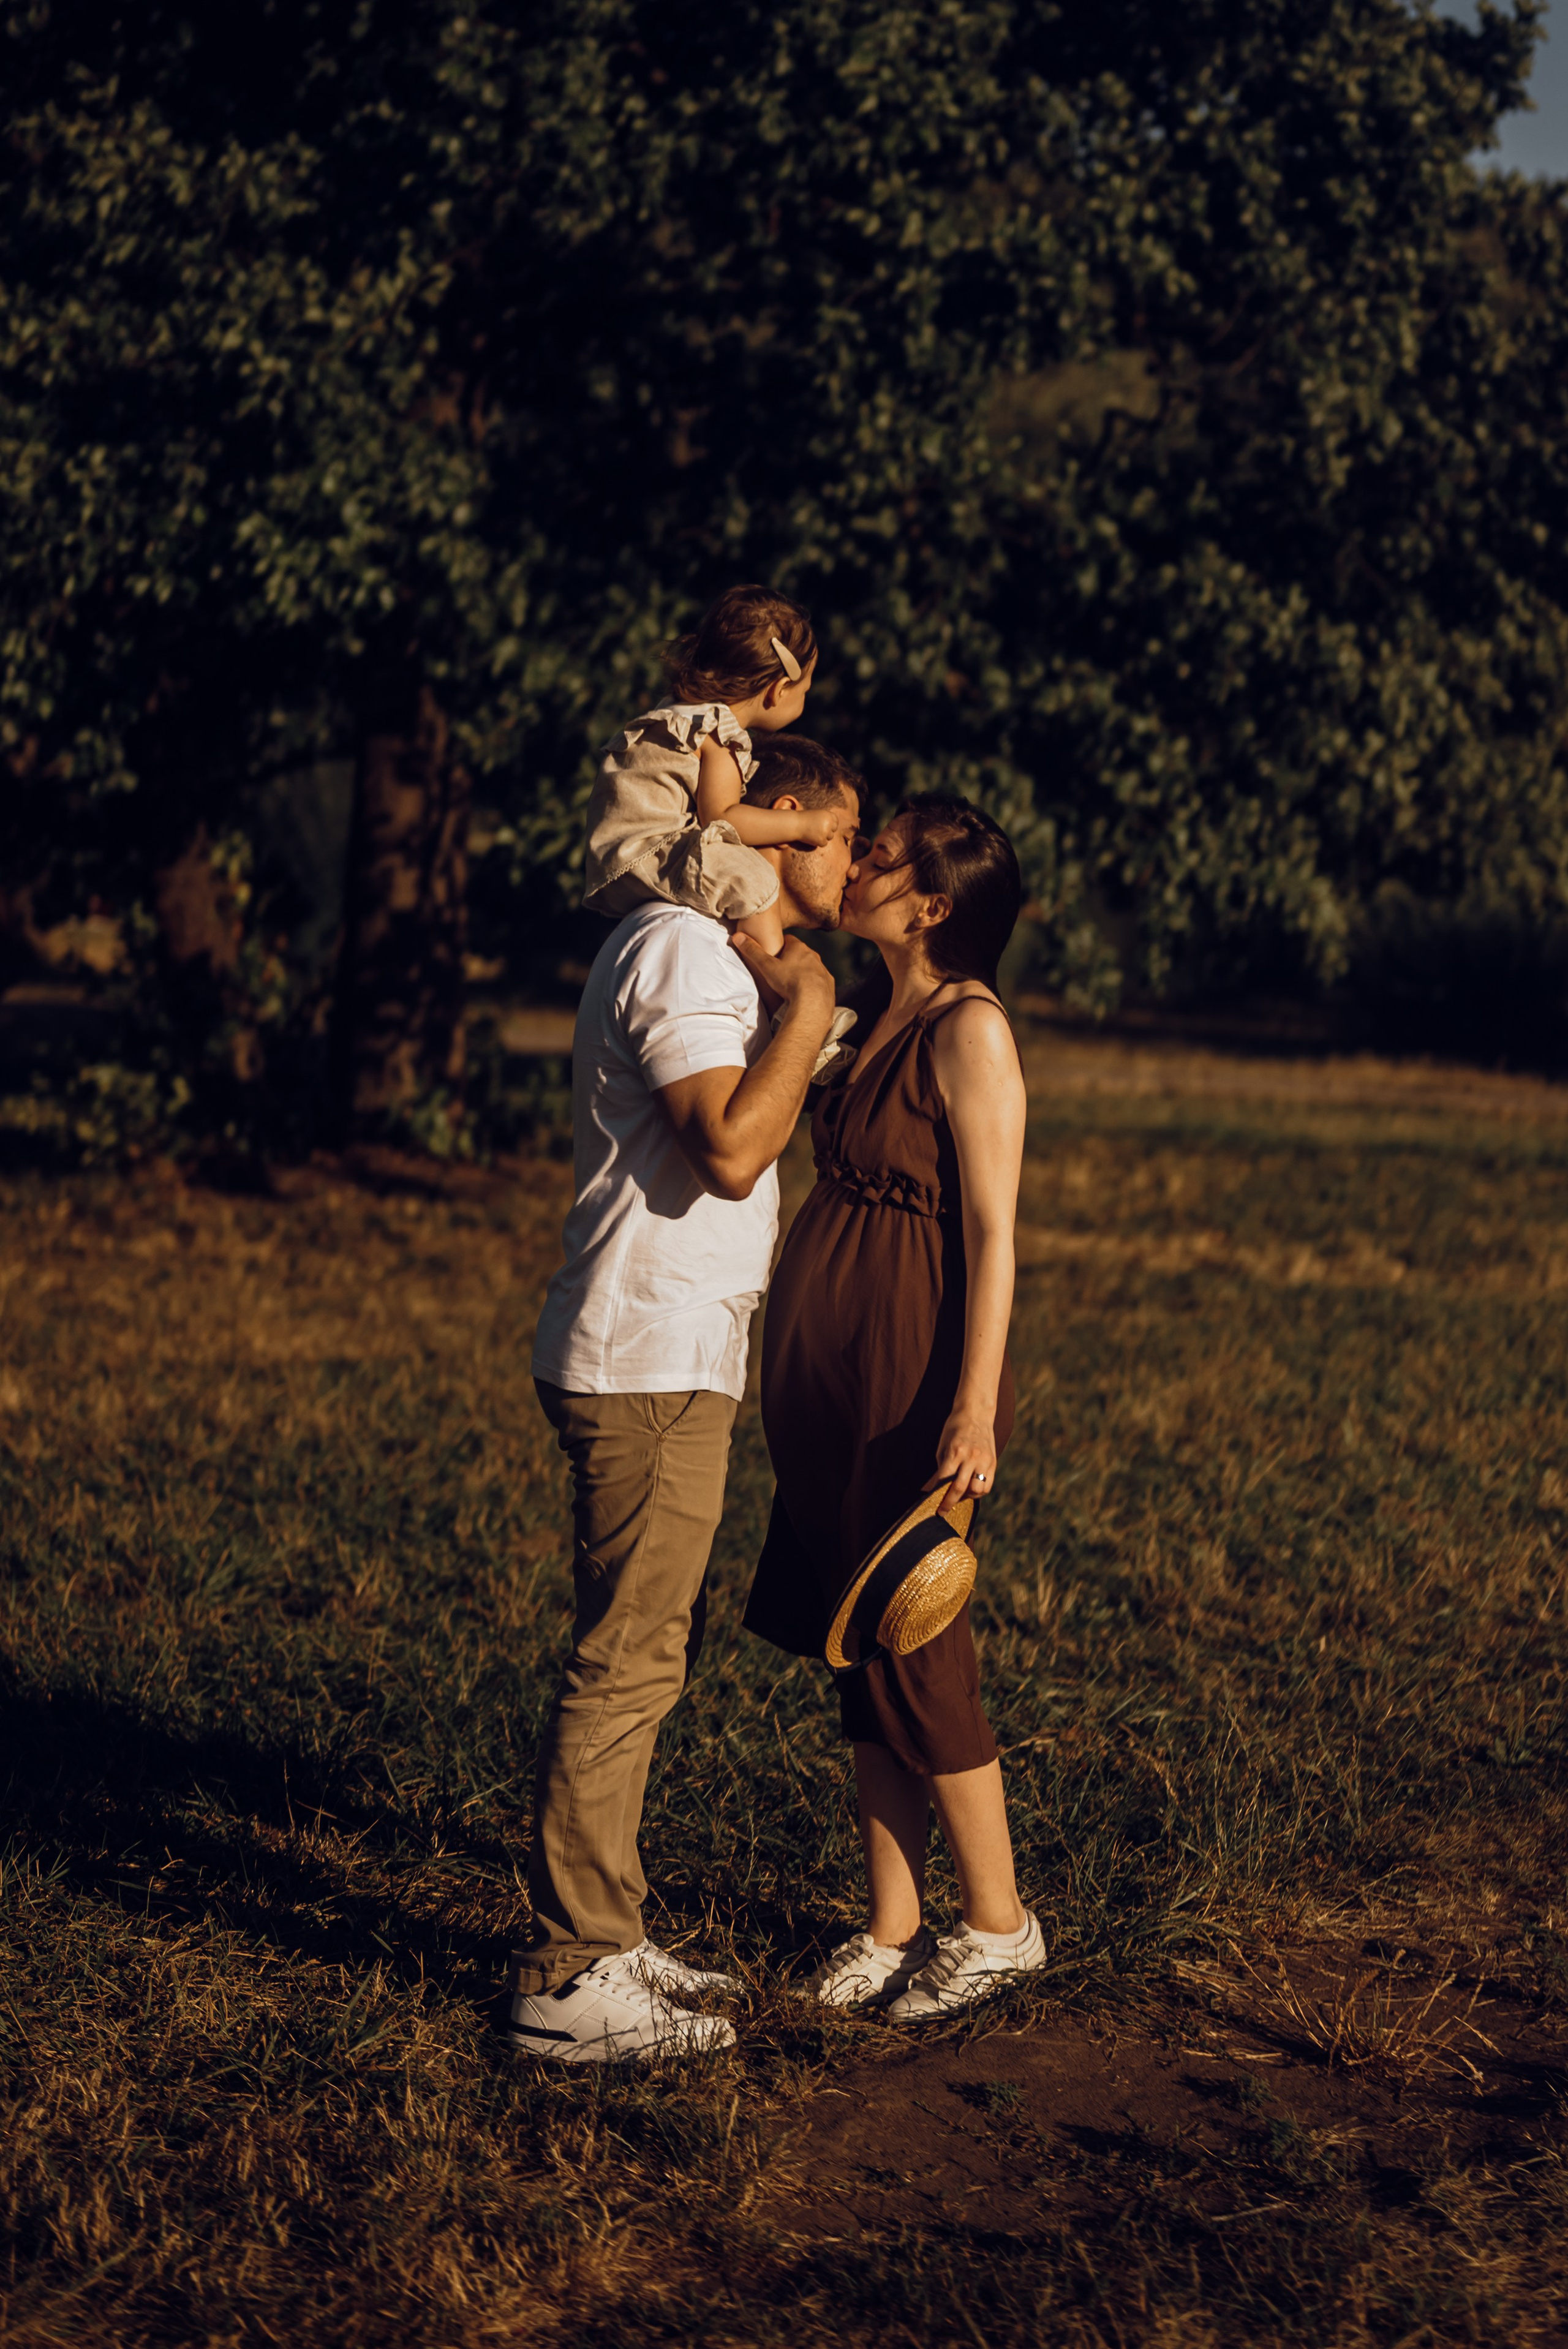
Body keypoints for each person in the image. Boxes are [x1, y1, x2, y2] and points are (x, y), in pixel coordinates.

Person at [507, 736, 864, 2065]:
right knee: (626, 1656)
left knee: (649, 1648)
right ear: (765, 837)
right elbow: (725, 1146)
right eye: (830, 836)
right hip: (643, 1353)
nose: (848, 861)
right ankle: (568, 1973)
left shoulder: (711, 958)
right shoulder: (679, 947)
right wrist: (811, 1000)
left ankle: (612, 1931)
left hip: (672, 1350)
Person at [745, 795, 1046, 2019]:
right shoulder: (869, 1012)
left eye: (878, 858)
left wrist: (972, 1408)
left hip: (913, 1367)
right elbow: (757, 906)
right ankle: (890, 1923)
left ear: (931, 905)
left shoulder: (967, 1029)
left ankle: (997, 1920)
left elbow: (992, 1230)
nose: (853, 865)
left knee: (918, 1644)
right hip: (827, 1369)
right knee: (850, 1635)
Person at [583, 584, 858, 992]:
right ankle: (776, 998)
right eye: (807, 689)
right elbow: (723, 818)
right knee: (757, 882)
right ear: (779, 690)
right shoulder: (719, 733)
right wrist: (801, 825)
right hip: (654, 850)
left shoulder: (675, 713)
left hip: (616, 856)